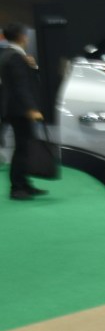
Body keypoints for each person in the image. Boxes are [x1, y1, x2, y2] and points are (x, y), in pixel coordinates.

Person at [0, 22, 46, 200]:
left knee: (24, 147)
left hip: (14, 108)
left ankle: (24, 184)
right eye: (25, 34)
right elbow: (20, 87)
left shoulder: (10, 55)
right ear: (21, 36)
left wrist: (32, 67)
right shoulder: (15, 57)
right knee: (22, 148)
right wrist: (31, 108)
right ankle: (18, 187)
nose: (27, 38)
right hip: (19, 110)